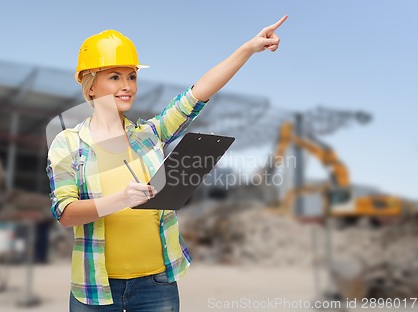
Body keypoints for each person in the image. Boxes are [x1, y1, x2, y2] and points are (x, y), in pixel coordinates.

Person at [47, 16, 287, 312]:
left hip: (156, 286)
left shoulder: (150, 134)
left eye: (132, 76)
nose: (127, 86)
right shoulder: (69, 143)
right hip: (97, 289)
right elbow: (65, 213)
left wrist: (249, 48)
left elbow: (198, 93)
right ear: (90, 85)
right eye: (115, 77)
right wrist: (121, 199)